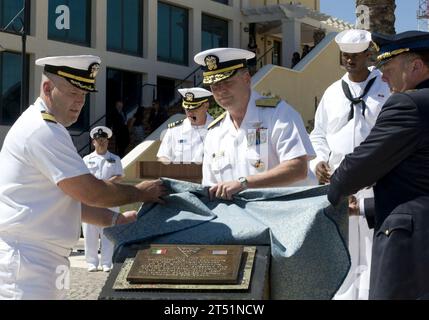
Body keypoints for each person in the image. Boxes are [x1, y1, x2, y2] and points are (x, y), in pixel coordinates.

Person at [0, 55, 167, 300]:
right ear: (48, 88)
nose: (80, 102)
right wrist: (141, 192)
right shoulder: (43, 130)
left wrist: (114, 219)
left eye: (84, 94)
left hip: (42, 258)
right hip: (26, 261)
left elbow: (65, 204)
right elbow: (91, 192)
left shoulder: (49, 127)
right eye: (73, 92)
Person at [328, 31, 429, 300]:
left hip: (412, 252)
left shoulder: (409, 104)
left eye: (388, 68)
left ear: (416, 66)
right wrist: (363, 207)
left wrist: (329, 195)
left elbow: (358, 169)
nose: (383, 77)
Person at [309, 29, 391, 300]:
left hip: (376, 184)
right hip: (339, 183)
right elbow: (318, 134)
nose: (350, 60)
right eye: (346, 55)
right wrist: (318, 161)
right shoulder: (332, 92)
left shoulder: (386, 87)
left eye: (356, 55)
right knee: (343, 248)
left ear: (368, 54)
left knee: (372, 248)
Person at [194, 48, 315, 200]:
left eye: (227, 82)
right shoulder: (214, 132)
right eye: (214, 86)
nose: (221, 91)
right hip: (240, 219)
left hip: (286, 214)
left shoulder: (278, 114)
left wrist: (244, 183)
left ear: (246, 78)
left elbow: (298, 168)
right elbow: (210, 187)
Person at [82, 126, 123, 273]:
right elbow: (83, 178)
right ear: (93, 142)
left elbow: (118, 176)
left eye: (104, 140)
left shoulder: (115, 159)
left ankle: (106, 262)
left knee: (108, 231)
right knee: (90, 232)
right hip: (90, 200)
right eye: (99, 140)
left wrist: (104, 185)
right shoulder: (86, 159)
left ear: (107, 141)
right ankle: (92, 262)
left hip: (109, 199)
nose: (101, 142)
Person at [157, 87, 214, 164]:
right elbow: (163, 156)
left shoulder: (218, 128)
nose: (190, 113)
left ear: (206, 106)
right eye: (187, 109)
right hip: (179, 174)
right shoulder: (174, 130)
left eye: (194, 109)